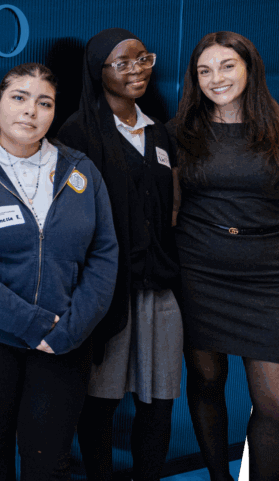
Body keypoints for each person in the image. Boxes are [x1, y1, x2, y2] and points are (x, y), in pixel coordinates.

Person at [0, 62, 117, 481]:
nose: (30, 111)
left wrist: (72, 327)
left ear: (54, 113)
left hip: (64, 337)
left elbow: (105, 253)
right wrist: (29, 322)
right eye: (19, 98)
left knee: (49, 458)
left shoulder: (81, 170)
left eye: (44, 102)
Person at [168, 31, 279, 481]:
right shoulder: (180, 132)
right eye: (204, 71)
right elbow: (174, 207)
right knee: (206, 382)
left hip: (272, 277)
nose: (216, 78)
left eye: (226, 66)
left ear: (250, 68)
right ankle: (219, 477)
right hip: (199, 271)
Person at [58, 28, 182, 481]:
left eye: (143, 59)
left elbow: (170, 207)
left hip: (160, 288)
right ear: (98, 71)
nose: (137, 70)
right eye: (123, 63)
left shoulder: (160, 132)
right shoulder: (78, 132)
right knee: (101, 403)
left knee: (160, 400)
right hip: (109, 293)